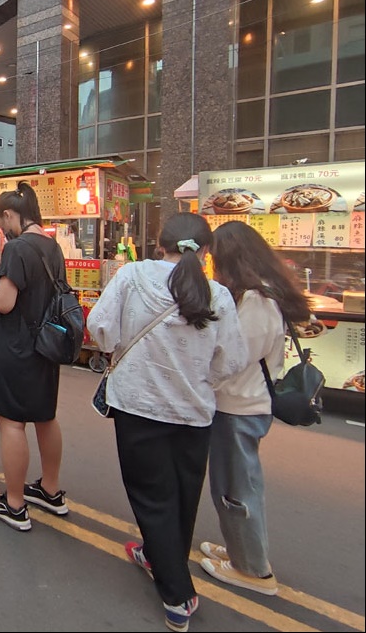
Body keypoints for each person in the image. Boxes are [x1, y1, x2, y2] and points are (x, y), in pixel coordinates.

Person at [87, 212, 247, 633]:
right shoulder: (220, 296)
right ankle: (157, 556)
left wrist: (113, 348)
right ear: (206, 252)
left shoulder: (134, 275)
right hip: (194, 413)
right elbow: (231, 359)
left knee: (151, 497)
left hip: (138, 406)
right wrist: (200, 381)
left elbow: (99, 325)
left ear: (160, 246)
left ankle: (177, 596)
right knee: (181, 494)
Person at [197, 221, 311, 596]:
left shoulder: (259, 302)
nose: (213, 267)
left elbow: (231, 358)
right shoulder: (257, 295)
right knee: (230, 485)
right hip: (239, 404)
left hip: (240, 407)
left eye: (216, 260)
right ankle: (238, 550)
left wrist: (199, 381)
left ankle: (252, 569)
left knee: (237, 489)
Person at [0, 188, 70, 532]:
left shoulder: (17, 248)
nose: (1, 228)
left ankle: (14, 504)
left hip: (16, 347)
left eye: (0, 221)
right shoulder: (51, 246)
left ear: (10, 215)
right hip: (46, 345)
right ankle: (50, 489)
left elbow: (4, 303)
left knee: (13, 423)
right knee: (45, 417)